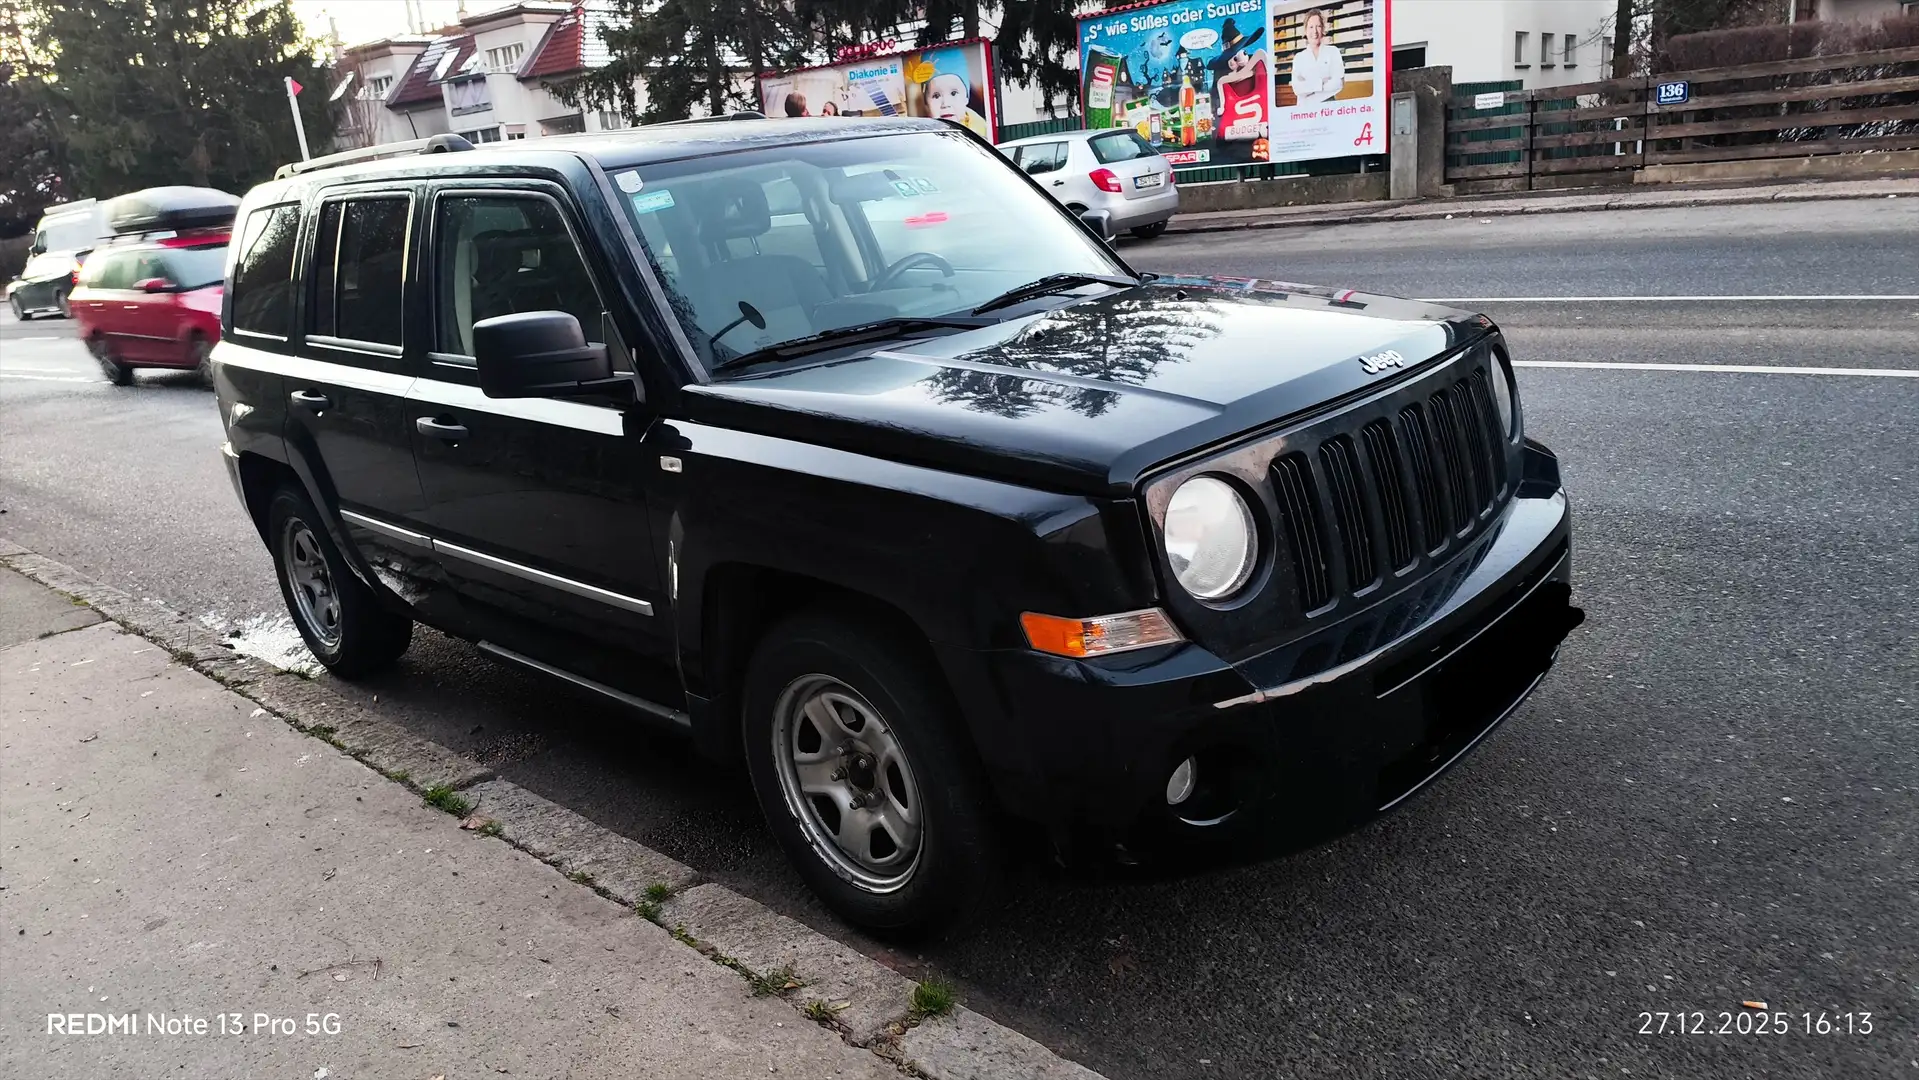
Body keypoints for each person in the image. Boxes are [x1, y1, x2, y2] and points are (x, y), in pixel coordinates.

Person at [919, 50, 992, 138]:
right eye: (936, 96)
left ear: (966, 98)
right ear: (926, 104)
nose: (946, 104)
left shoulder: (982, 131)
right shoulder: (923, 136)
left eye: (953, 93)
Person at [1288, 8, 1346, 104]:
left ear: (1323, 29)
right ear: (1305, 30)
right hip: (1305, 109)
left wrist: (1308, 87)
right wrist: (1322, 82)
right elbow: (1297, 89)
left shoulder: (1333, 51)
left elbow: (1338, 83)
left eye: (1318, 26)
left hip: (1328, 106)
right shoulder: (1299, 58)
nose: (1315, 31)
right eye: (1311, 27)